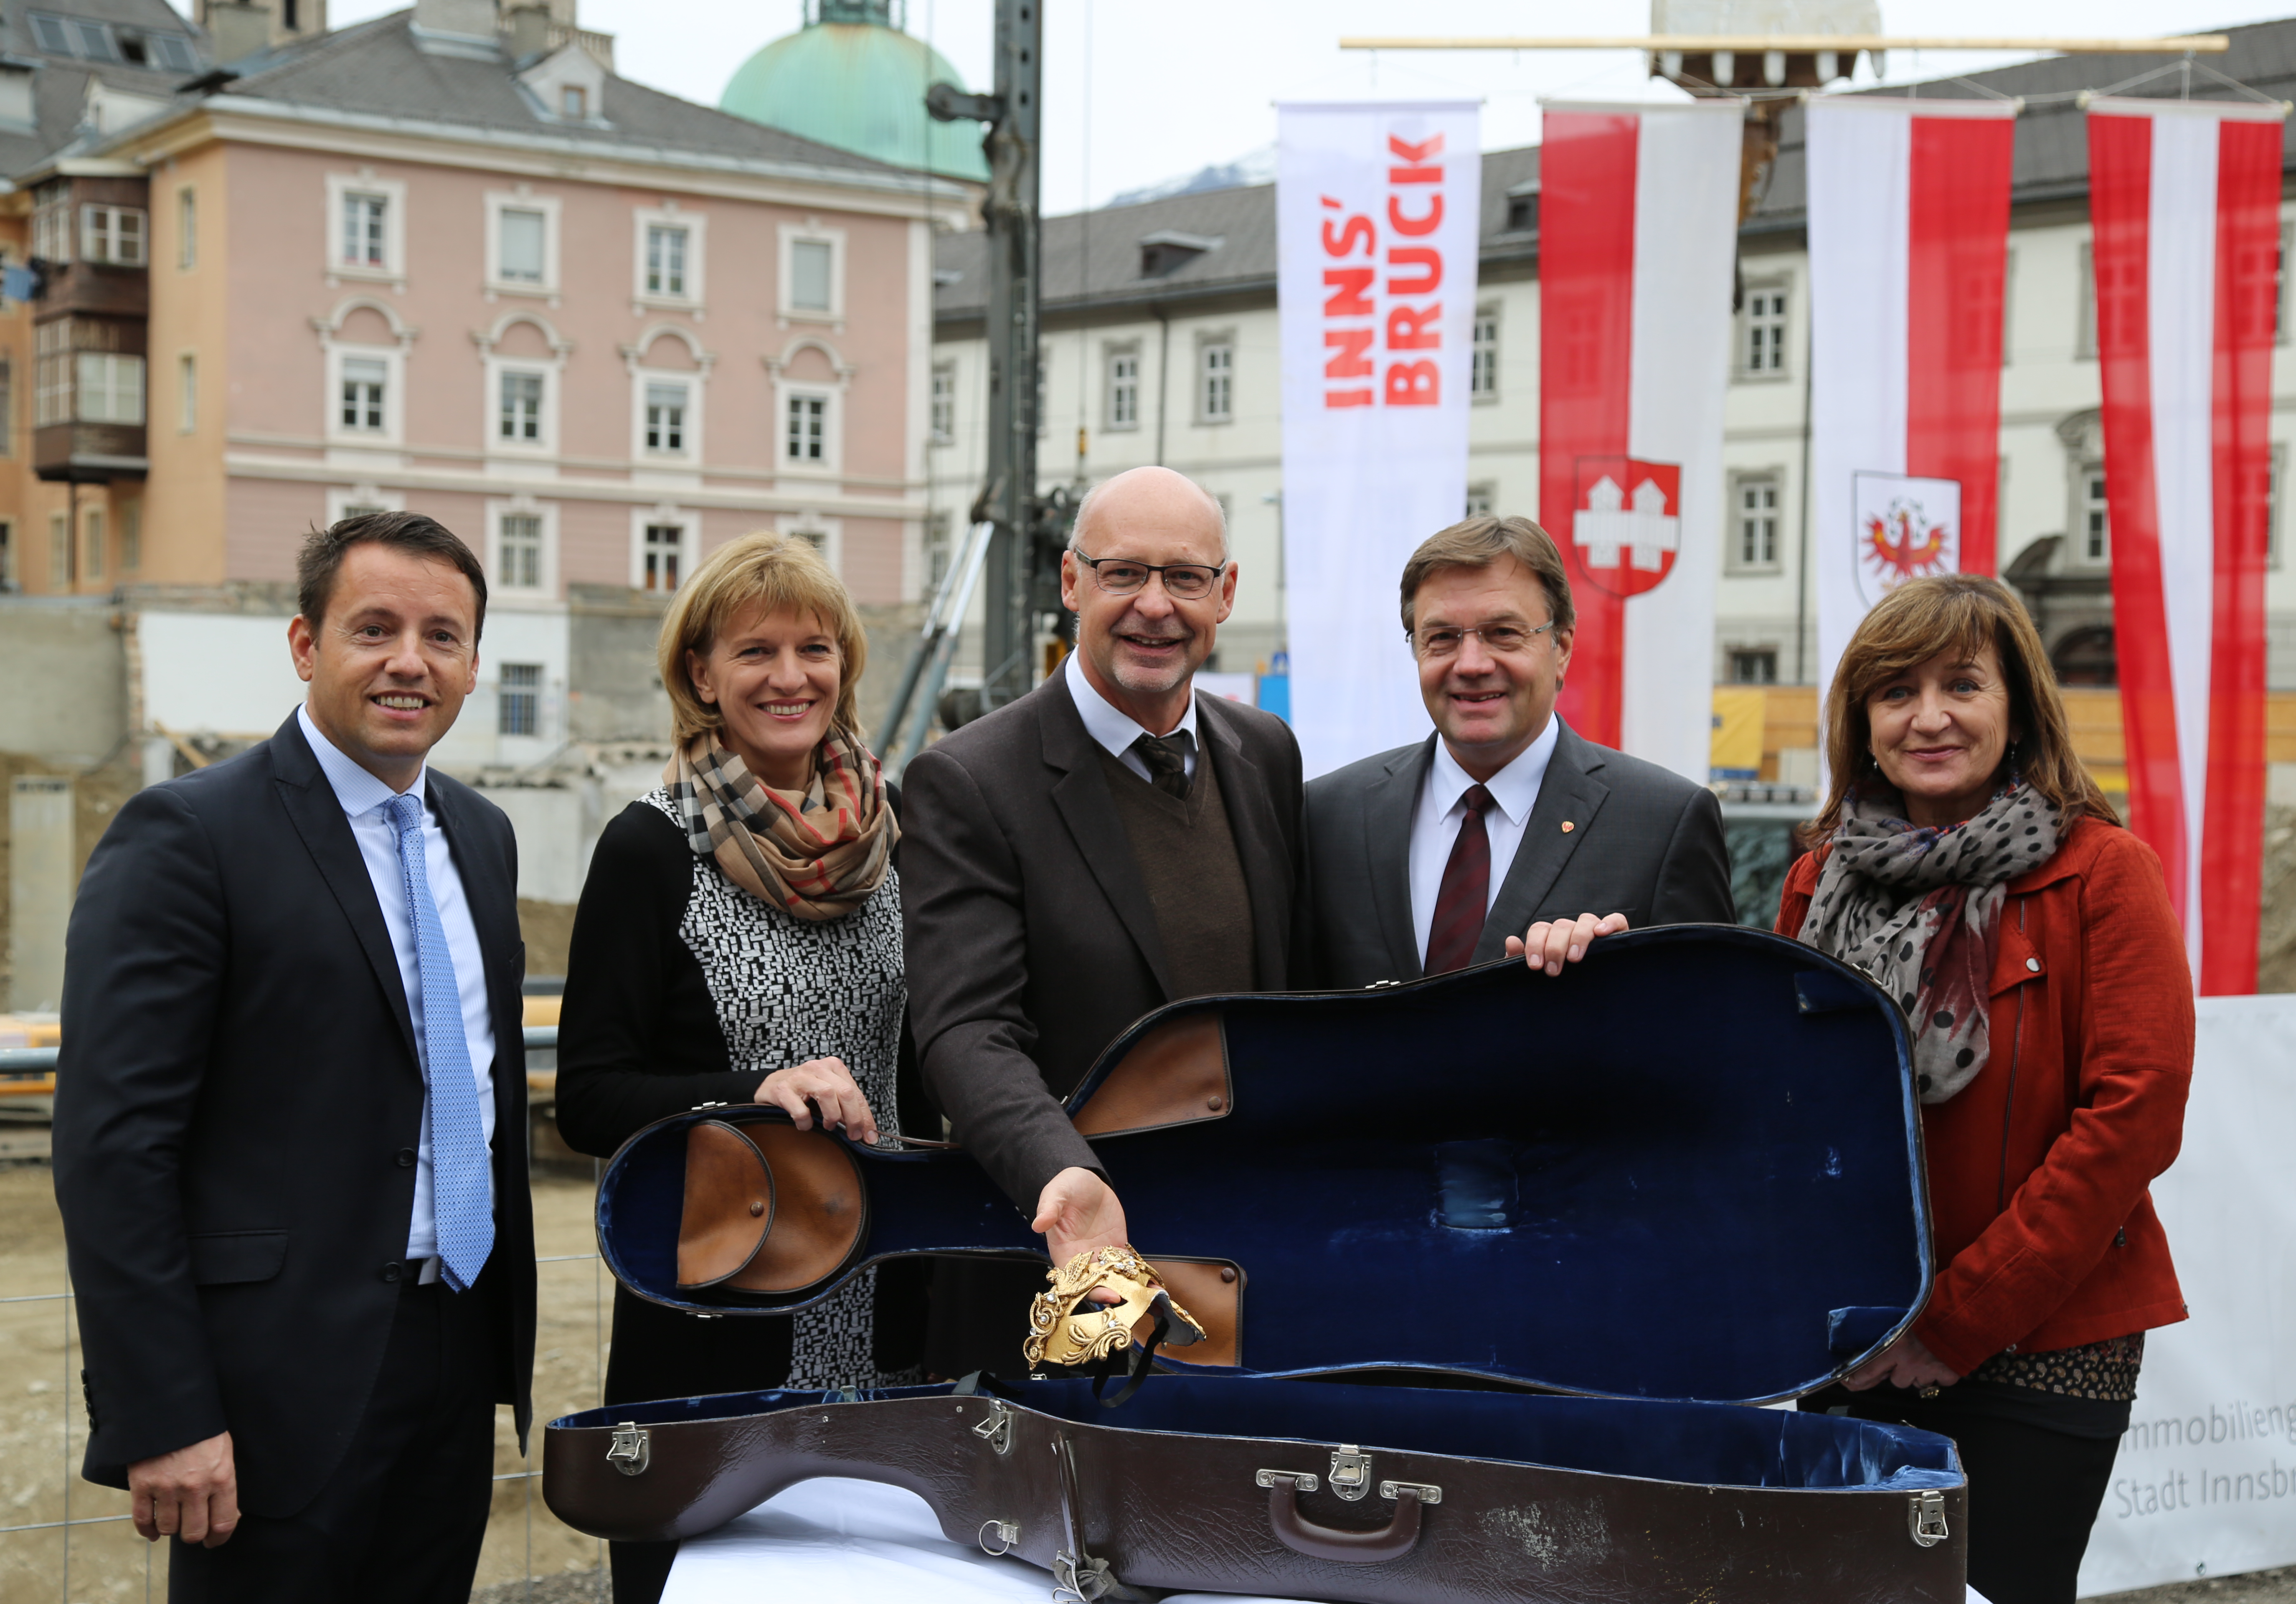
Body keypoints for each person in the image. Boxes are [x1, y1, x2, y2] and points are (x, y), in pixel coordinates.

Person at [53, 512, 536, 1601]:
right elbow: (113, 1150)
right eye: (374, 629)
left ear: (470, 668)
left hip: (455, 1360)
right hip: (271, 1388)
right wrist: (166, 1411)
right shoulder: (188, 838)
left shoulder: (484, 836)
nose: (410, 660)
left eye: (442, 636)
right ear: (306, 647)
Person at [1780, 574, 2192, 1604]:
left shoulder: (2101, 871)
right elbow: (1782, 1109)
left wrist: (1954, 1320)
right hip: (1855, 1339)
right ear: (1860, 721)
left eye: (1960, 683)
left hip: (2041, 1341)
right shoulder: (1813, 878)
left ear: (2016, 707)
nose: (1926, 716)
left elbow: (2131, 1115)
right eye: (1893, 691)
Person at [555, 530, 921, 1604]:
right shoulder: (646, 847)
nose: (789, 675)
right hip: (719, 1318)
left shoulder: (898, 837)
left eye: (815, 647)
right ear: (701, 676)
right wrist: (746, 1093)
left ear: (845, 666)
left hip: (886, 1307)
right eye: (754, 650)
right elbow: (586, 1095)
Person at [901, 465, 1309, 1378]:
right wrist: (1067, 1178)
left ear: (1227, 592)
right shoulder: (971, 780)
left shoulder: (1266, 756)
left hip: (1245, 1276)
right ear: (1072, 582)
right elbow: (968, 1028)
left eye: (1185, 577)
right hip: (1057, 1265)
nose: (1154, 606)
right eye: (1123, 573)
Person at [1308, 514, 1733, 987]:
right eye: (1442, 638)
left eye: (1504, 633)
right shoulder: (1329, 816)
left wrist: (1621, 983)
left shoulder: (1663, 822)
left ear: (1563, 648)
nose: (1471, 664)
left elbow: (1713, 1023)